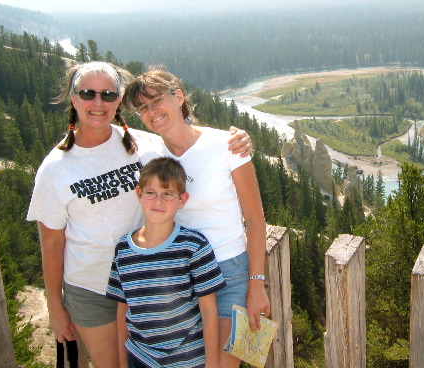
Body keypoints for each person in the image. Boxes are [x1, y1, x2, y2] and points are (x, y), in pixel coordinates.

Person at [26, 61, 252, 368]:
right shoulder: (55, 169)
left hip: (158, 284)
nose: (98, 102)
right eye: (88, 93)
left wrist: (236, 141)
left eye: (107, 95)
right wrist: (55, 306)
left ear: (118, 101)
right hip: (92, 289)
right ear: (73, 99)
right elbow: (51, 243)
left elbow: (188, 145)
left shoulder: (145, 144)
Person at [122, 67, 270, 368]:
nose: (151, 111)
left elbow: (255, 220)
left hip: (231, 272)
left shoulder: (227, 145)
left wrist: (256, 284)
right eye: (143, 108)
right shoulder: (148, 156)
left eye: (156, 100)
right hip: (179, 276)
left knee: (224, 363)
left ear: (178, 97)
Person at [107, 157, 225, 368]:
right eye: (150, 192)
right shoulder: (123, 249)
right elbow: (122, 309)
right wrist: (123, 362)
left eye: (168, 194)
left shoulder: (193, 246)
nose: (158, 201)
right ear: (139, 194)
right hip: (140, 358)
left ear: (182, 200)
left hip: (188, 360)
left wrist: (212, 364)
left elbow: (209, 311)